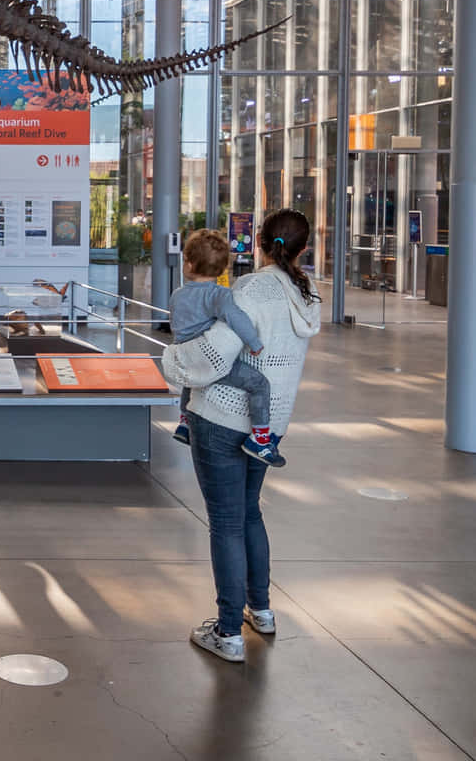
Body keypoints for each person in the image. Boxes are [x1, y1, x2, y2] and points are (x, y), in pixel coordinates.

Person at [188, 208, 321, 666]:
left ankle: (227, 632)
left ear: (260, 242)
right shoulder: (306, 294)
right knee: (247, 514)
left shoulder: (249, 289)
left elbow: (215, 353)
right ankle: (259, 610)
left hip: (222, 418)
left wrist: (174, 363)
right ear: (302, 248)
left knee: (225, 523)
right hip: (269, 427)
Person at [168, 229, 280, 467]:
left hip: (185, 358)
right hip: (211, 361)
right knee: (260, 384)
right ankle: (260, 438)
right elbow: (236, 318)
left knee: (191, 380)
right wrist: (254, 343)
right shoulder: (219, 295)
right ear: (222, 269)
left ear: (187, 264)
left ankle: (185, 422)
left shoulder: (177, 295)